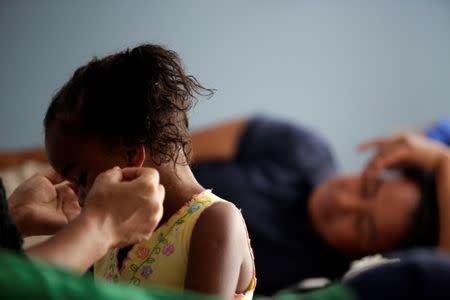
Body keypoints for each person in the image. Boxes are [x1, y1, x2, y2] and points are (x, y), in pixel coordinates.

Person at [42, 44, 256, 299]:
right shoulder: (111, 234)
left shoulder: (215, 221)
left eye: (82, 178)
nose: (79, 198)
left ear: (132, 155)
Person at [191, 116, 448, 295]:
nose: (342, 201)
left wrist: (443, 161)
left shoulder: (322, 285)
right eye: (367, 187)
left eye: (361, 225)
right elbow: (170, 151)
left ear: (369, 254)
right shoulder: (301, 147)